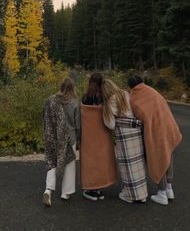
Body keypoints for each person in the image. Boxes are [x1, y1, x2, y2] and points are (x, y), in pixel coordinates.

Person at [128, 75, 182, 205]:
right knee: (167, 154)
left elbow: (137, 117)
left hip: (155, 131)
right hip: (168, 126)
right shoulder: (153, 91)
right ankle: (169, 188)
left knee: (158, 158)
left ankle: (162, 193)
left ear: (131, 87)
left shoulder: (134, 99)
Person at [102, 79, 148, 203]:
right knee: (138, 163)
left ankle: (130, 195)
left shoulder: (109, 101)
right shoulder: (125, 93)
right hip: (136, 130)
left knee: (127, 164)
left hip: (123, 133)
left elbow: (110, 125)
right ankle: (142, 194)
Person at [43, 77, 80, 206]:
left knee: (52, 161)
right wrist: (79, 138)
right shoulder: (75, 103)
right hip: (69, 137)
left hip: (53, 136)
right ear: (72, 87)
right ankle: (66, 192)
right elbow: (77, 124)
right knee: (69, 163)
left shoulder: (51, 100)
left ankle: (48, 189)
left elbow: (45, 118)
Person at [80, 72, 118, 201]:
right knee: (101, 159)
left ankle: (91, 189)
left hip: (89, 135)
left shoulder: (85, 97)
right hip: (102, 134)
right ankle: (100, 188)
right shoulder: (104, 98)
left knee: (90, 160)